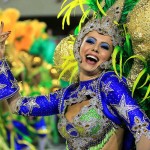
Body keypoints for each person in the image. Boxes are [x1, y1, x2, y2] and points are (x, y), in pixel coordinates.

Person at [0, 0, 150, 150]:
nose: (95, 48)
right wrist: (1, 59)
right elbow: (17, 105)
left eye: (104, 46)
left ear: (110, 57)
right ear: (79, 46)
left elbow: (142, 128)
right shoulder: (66, 95)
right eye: (90, 41)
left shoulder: (109, 84)